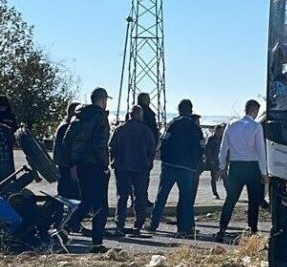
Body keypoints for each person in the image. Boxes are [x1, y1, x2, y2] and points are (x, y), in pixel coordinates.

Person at [58, 88, 111, 251]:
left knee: (86, 201)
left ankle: (64, 229)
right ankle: (97, 243)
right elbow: (99, 144)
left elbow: (67, 141)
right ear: (103, 101)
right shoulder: (100, 117)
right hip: (95, 164)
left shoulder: (78, 116)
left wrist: (73, 162)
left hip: (80, 164)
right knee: (101, 205)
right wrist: (105, 165)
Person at [215, 100, 269, 243]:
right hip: (252, 167)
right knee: (254, 201)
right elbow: (260, 151)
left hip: (235, 167)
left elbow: (223, 148)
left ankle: (222, 229)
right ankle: (253, 230)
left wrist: (222, 167)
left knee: (230, 200)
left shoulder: (231, 124)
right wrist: (264, 172)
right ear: (255, 110)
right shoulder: (256, 126)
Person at [149, 99, 204, 237]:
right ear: (191, 110)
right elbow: (201, 146)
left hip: (170, 165)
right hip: (188, 168)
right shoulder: (195, 127)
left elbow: (164, 141)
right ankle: (185, 228)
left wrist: (164, 158)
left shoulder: (173, 124)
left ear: (179, 110)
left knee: (162, 196)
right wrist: (194, 161)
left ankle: (153, 224)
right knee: (186, 199)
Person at [108, 105, 156, 236]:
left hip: (122, 167)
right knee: (140, 196)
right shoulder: (146, 130)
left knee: (122, 196)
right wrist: (149, 163)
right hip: (141, 168)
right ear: (140, 115)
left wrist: (113, 162)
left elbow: (111, 146)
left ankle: (120, 223)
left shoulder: (120, 129)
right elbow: (152, 149)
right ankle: (138, 224)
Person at [53, 102, 80, 200]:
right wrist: (73, 166)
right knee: (71, 196)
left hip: (63, 165)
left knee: (64, 194)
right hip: (68, 166)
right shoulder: (67, 128)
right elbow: (67, 149)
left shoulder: (63, 126)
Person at [204, 123, 225, 199]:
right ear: (215, 131)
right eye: (218, 131)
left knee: (225, 177)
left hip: (221, 161)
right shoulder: (211, 139)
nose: (219, 132)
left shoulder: (224, 139)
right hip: (213, 161)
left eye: (221, 131)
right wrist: (210, 160)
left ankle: (229, 193)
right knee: (213, 177)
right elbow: (207, 150)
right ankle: (215, 193)